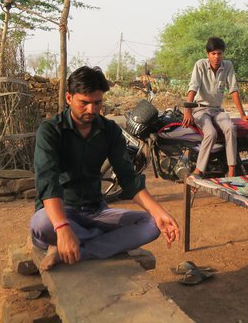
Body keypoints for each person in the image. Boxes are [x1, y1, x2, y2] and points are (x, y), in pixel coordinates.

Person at [30, 66, 180, 270]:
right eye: (84, 102)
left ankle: (77, 250)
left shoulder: (109, 131)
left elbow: (128, 178)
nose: (92, 110)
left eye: (97, 102)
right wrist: (62, 226)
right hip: (60, 211)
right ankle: (75, 237)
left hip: (96, 211)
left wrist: (159, 212)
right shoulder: (50, 131)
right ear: (68, 98)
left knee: (152, 225)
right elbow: (48, 182)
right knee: (42, 224)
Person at [182, 37, 248, 177]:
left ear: (223, 54)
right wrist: (187, 111)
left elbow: (233, 90)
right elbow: (193, 88)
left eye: (219, 53)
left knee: (231, 128)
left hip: (217, 110)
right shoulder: (200, 65)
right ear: (207, 54)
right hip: (200, 109)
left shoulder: (228, 66)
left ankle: (232, 170)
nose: (216, 57)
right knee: (211, 133)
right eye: (213, 53)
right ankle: (199, 169)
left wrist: (242, 114)